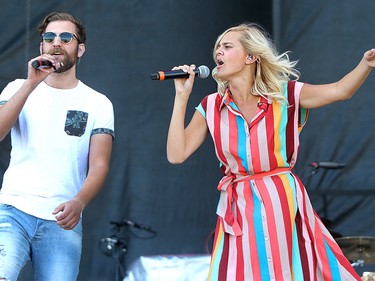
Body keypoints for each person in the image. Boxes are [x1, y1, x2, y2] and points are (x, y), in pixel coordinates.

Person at [167, 22, 374, 281]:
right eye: (217, 47)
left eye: (227, 46)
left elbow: (340, 91)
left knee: (291, 271)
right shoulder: (211, 105)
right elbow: (176, 154)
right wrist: (181, 96)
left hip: (281, 200)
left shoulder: (285, 95)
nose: (218, 52)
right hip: (239, 207)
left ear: (251, 57)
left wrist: (365, 64)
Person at [0, 12, 114, 281]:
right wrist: (31, 83)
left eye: (66, 37)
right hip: (13, 209)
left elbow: (100, 165)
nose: (56, 43)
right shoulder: (17, 88)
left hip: (62, 218)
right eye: (49, 38)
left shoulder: (98, 103)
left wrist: (79, 202)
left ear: (80, 48)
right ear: (41, 47)